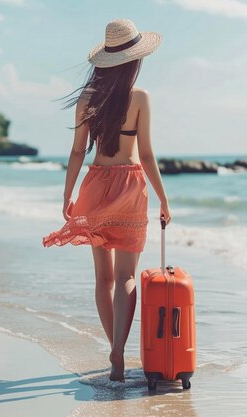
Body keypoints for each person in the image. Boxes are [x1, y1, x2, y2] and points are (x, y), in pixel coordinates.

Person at [42, 18, 171, 382]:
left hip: (97, 185)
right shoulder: (141, 98)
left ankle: (112, 351)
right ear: (135, 60)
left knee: (104, 278)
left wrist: (67, 194)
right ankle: (119, 348)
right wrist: (163, 199)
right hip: (130, 187)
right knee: (127, 276)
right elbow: (145, 155)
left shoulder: (86, 100)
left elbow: (77, 152)